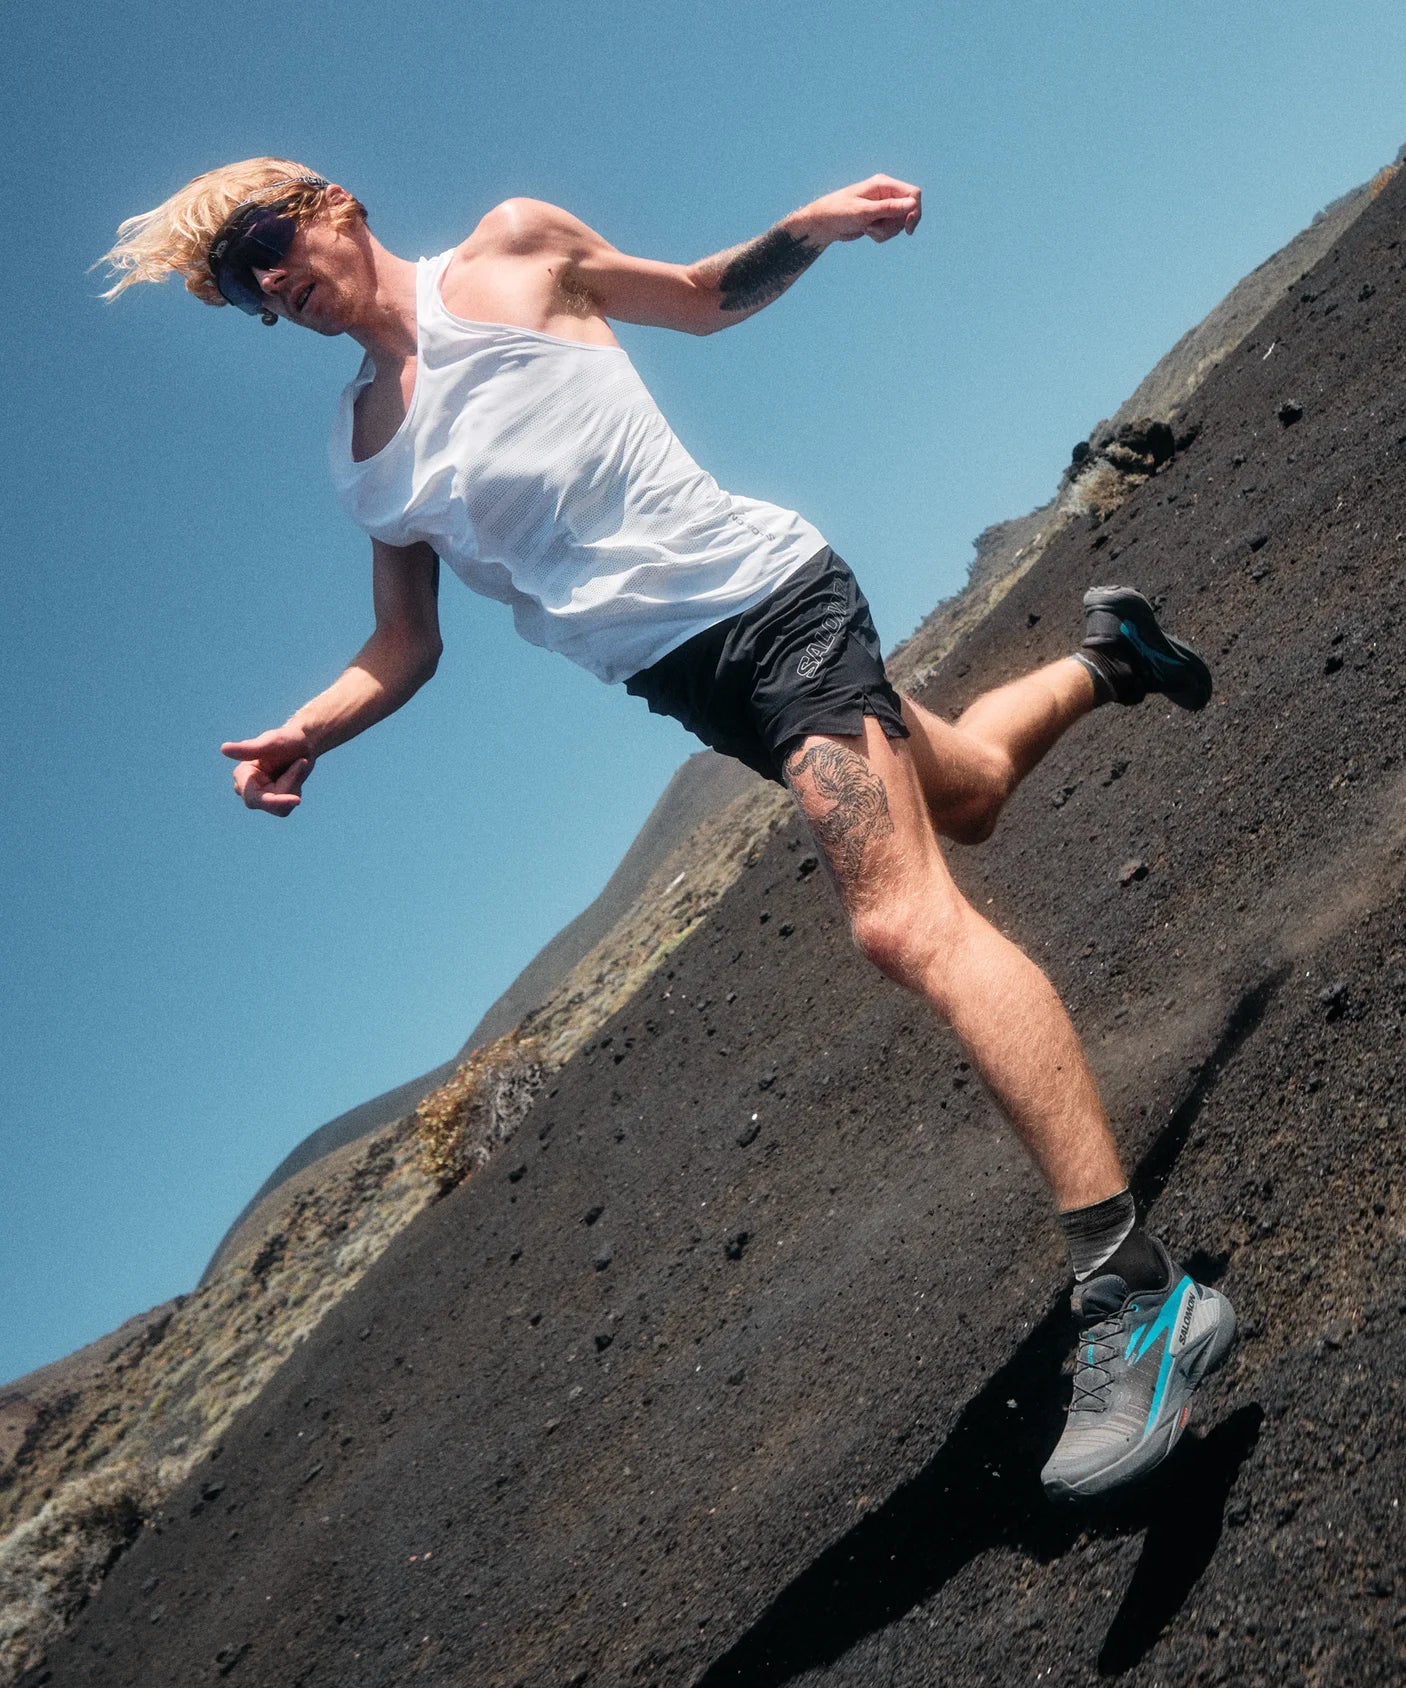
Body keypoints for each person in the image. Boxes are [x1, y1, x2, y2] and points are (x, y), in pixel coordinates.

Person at [101, 159, 1235, 1498]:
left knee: (900, 921)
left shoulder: (510, 253)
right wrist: (309, 728)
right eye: (239, 287)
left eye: (261, 240)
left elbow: (699, 296)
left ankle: (1135, 1294)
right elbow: (403, 643)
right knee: (971, 790)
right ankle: (1113, 656)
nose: (267, 283)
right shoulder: (363, 452)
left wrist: (808, 228)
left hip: (770, 605)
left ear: (329, 203)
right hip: (690, 683)